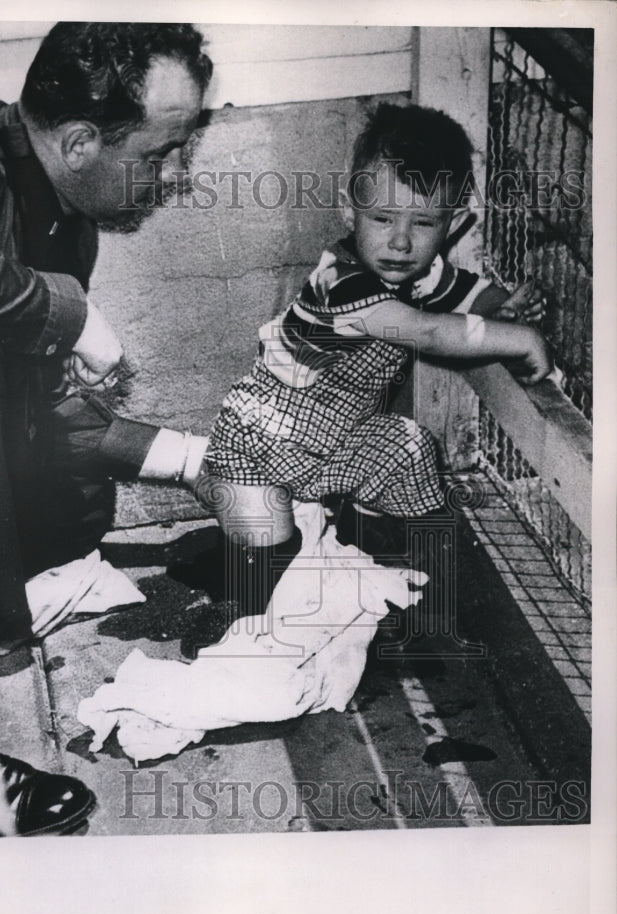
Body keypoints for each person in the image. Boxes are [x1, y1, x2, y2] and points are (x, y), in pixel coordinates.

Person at [195, 102, 551, 644]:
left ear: (453, 224)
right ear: (349, 211)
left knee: (409, 448)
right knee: (265, 540)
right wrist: (519, 338)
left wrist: (504, 306)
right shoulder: (343, 280)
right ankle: (240, 603)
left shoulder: (419, 270)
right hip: (262, 444)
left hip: (340, 441)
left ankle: (427, 580)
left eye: (423, 223)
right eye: (383, 219)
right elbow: (427, 330)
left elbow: (464, 292)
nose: (402, 242)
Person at [0, 22, 213, 662]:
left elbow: (42, 400)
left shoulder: (68, 223)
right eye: (160, 152)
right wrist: (71, 313)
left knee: (75, 515)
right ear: (81, 143)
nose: (176, 175)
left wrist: (194, 461)